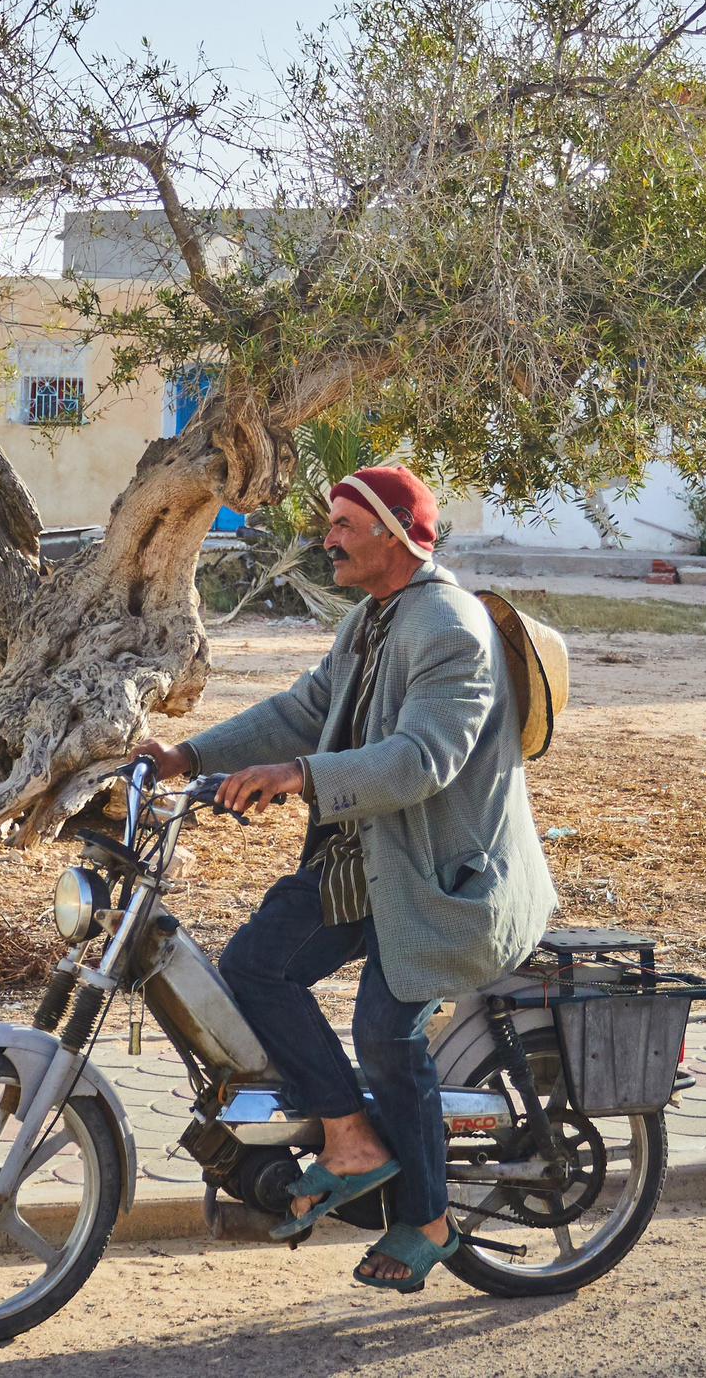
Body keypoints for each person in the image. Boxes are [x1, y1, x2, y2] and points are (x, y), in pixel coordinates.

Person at [129, 465, 554, 1292]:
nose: (327, 539)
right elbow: (302, 710)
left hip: (445, 878)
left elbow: (421, 761)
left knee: (384, 1031)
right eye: (330, 525)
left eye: (344, 527)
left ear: (396, 535)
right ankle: (349, 1136)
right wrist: (189, 755)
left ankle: (428, 1218)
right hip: (373, 860)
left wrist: (298, 776)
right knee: (257, 964)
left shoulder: (451, 628)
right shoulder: (370, 620)